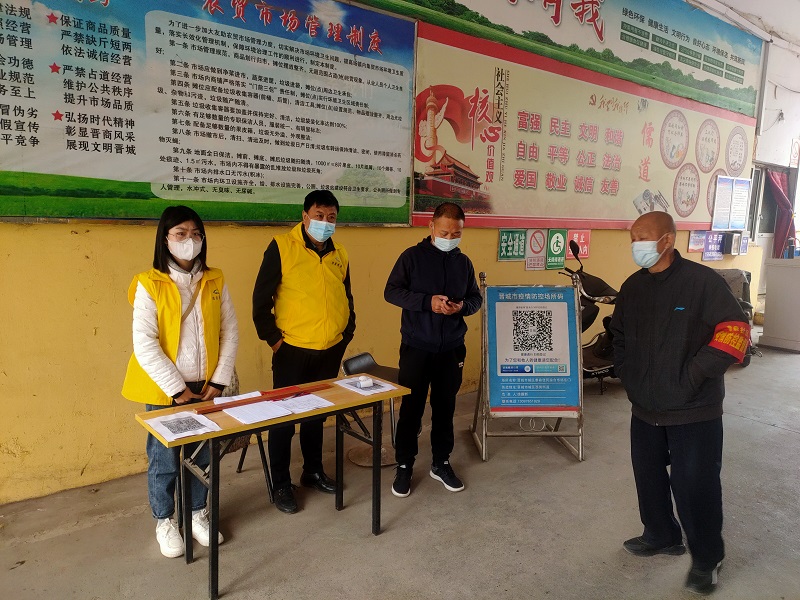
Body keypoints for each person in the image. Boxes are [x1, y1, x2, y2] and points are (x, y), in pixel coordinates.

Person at [610, 211, 750, 595]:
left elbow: (736, 331)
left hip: (693, 408)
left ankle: (707, 558)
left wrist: (692, 376)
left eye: (643, 237)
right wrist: (628, 374)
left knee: (695, 486)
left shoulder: (703, 283)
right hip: (645, 407)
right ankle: (661, 535)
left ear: (667, 240)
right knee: (648, 478)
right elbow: (618, 335)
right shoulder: (633, 287)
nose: (636, 244)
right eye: (633, 237)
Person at [122, 205, 239, 559]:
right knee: (165, 458)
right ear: (165, 239)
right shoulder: (149, 283)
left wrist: (218, 380)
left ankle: (197, 512)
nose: (190, 240)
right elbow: (145, 343)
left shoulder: (215, 279)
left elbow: (230, 331)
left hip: (206, 385)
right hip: (166, 390)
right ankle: (165, 520)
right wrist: (176, 389)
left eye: (196, 233)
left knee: (203, 455)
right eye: (181, 234)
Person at [252, 189, 355, 514]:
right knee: (283, 419)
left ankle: (312, 471)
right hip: (292, 350)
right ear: (305, 216)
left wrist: (346, 333)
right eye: (319, 216)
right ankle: (281, 484)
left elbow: (346, 296)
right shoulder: (282, 246)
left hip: (329, 349)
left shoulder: (340, 253)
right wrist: (275, 341)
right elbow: (260, 301)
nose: (325, 222)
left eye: (331, 217)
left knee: (316, 415)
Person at [384, 202, 482, 498]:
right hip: (416, 346)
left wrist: (461, 307)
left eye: (456, 234)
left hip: (451, 348)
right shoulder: (411, 257)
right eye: (444, 233)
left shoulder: (463, 263)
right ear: (431, 227)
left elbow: (475, 298)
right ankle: (404, 465)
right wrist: (428, 302)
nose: (450, 238)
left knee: (445, 407)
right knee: (411, 409)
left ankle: (441, 463)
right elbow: (392, 292)